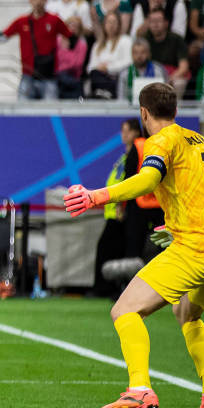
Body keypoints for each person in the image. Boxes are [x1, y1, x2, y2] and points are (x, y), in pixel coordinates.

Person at [63, 83, 204, 408]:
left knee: (124, 310)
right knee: (187, 314)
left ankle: (139, 388)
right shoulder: (202, 142)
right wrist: (178, 225)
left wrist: (96, 196)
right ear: (176, 111)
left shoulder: (159, 141)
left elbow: (148, 179)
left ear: (143, 113)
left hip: (197, 250)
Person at [0, 0, 71, 100]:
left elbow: (71, 36)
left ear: (46, 0)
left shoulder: (54, 20)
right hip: (28, 74)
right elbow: (3, 37)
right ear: (30, 0)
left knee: (51, 108)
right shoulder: (22, 21)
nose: (38, 2)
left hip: (49, 75)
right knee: (23, 108)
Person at [93, 118, 142, 299]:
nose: (124, 134)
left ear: (136, 132)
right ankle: (109, 287)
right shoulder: (125, 156)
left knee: (111, 249)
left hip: (123, 210)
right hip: (115, 210)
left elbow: (129, 183)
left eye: (127, 131)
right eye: (123, 131)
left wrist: (122, 205)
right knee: (111, 249)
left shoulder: (136, 154)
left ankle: (109, 287)